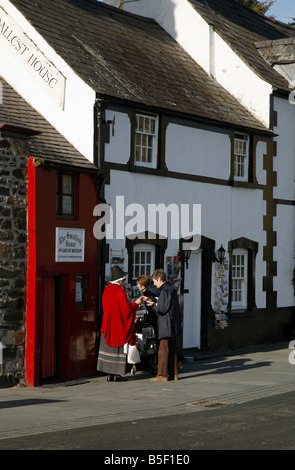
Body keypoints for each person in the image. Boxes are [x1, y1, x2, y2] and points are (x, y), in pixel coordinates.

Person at [97, 266, 143, 382]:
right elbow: (126, 311)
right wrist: (136, 303)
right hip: (117, 326)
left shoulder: (106, 290)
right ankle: (117, 375)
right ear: (120, 280)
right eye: (123, 279)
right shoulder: (120, 292)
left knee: (107, 349)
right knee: (117, 350)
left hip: (107, 325)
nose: (124, 281)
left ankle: (109, 374)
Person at [145, 269, 181, 382]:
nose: (154, 284)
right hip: (173, 324)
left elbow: (161, 309)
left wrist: (153, 305)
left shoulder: (165, 291)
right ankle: (173, 374)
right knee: (172, 350)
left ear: (160, 279)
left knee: (163, 350)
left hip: (166, 324)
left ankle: (162, 375)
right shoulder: (172, 289)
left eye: (155, 281)